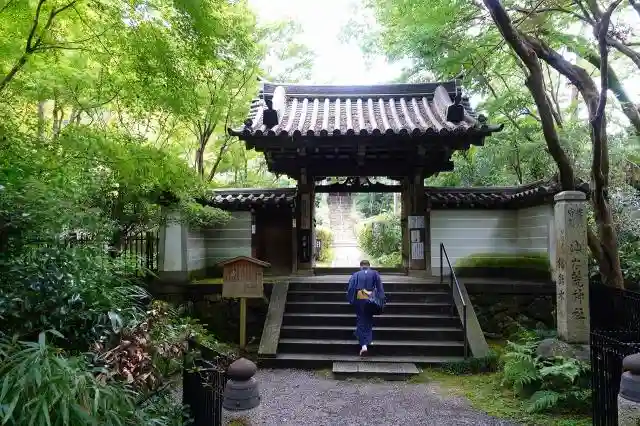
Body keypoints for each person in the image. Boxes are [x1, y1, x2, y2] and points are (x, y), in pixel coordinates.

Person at [346, 260, 385, 356]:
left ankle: (364, 345)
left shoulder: (355, 275)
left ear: (360, 266)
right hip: (371, 298)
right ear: (369, 266)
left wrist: (351, 300)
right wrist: (381, 300)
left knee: (361, 320)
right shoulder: (375, 273)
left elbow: (351, 288)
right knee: (368, 319)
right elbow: (380, 288)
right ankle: (367, 340)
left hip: (360, 297)